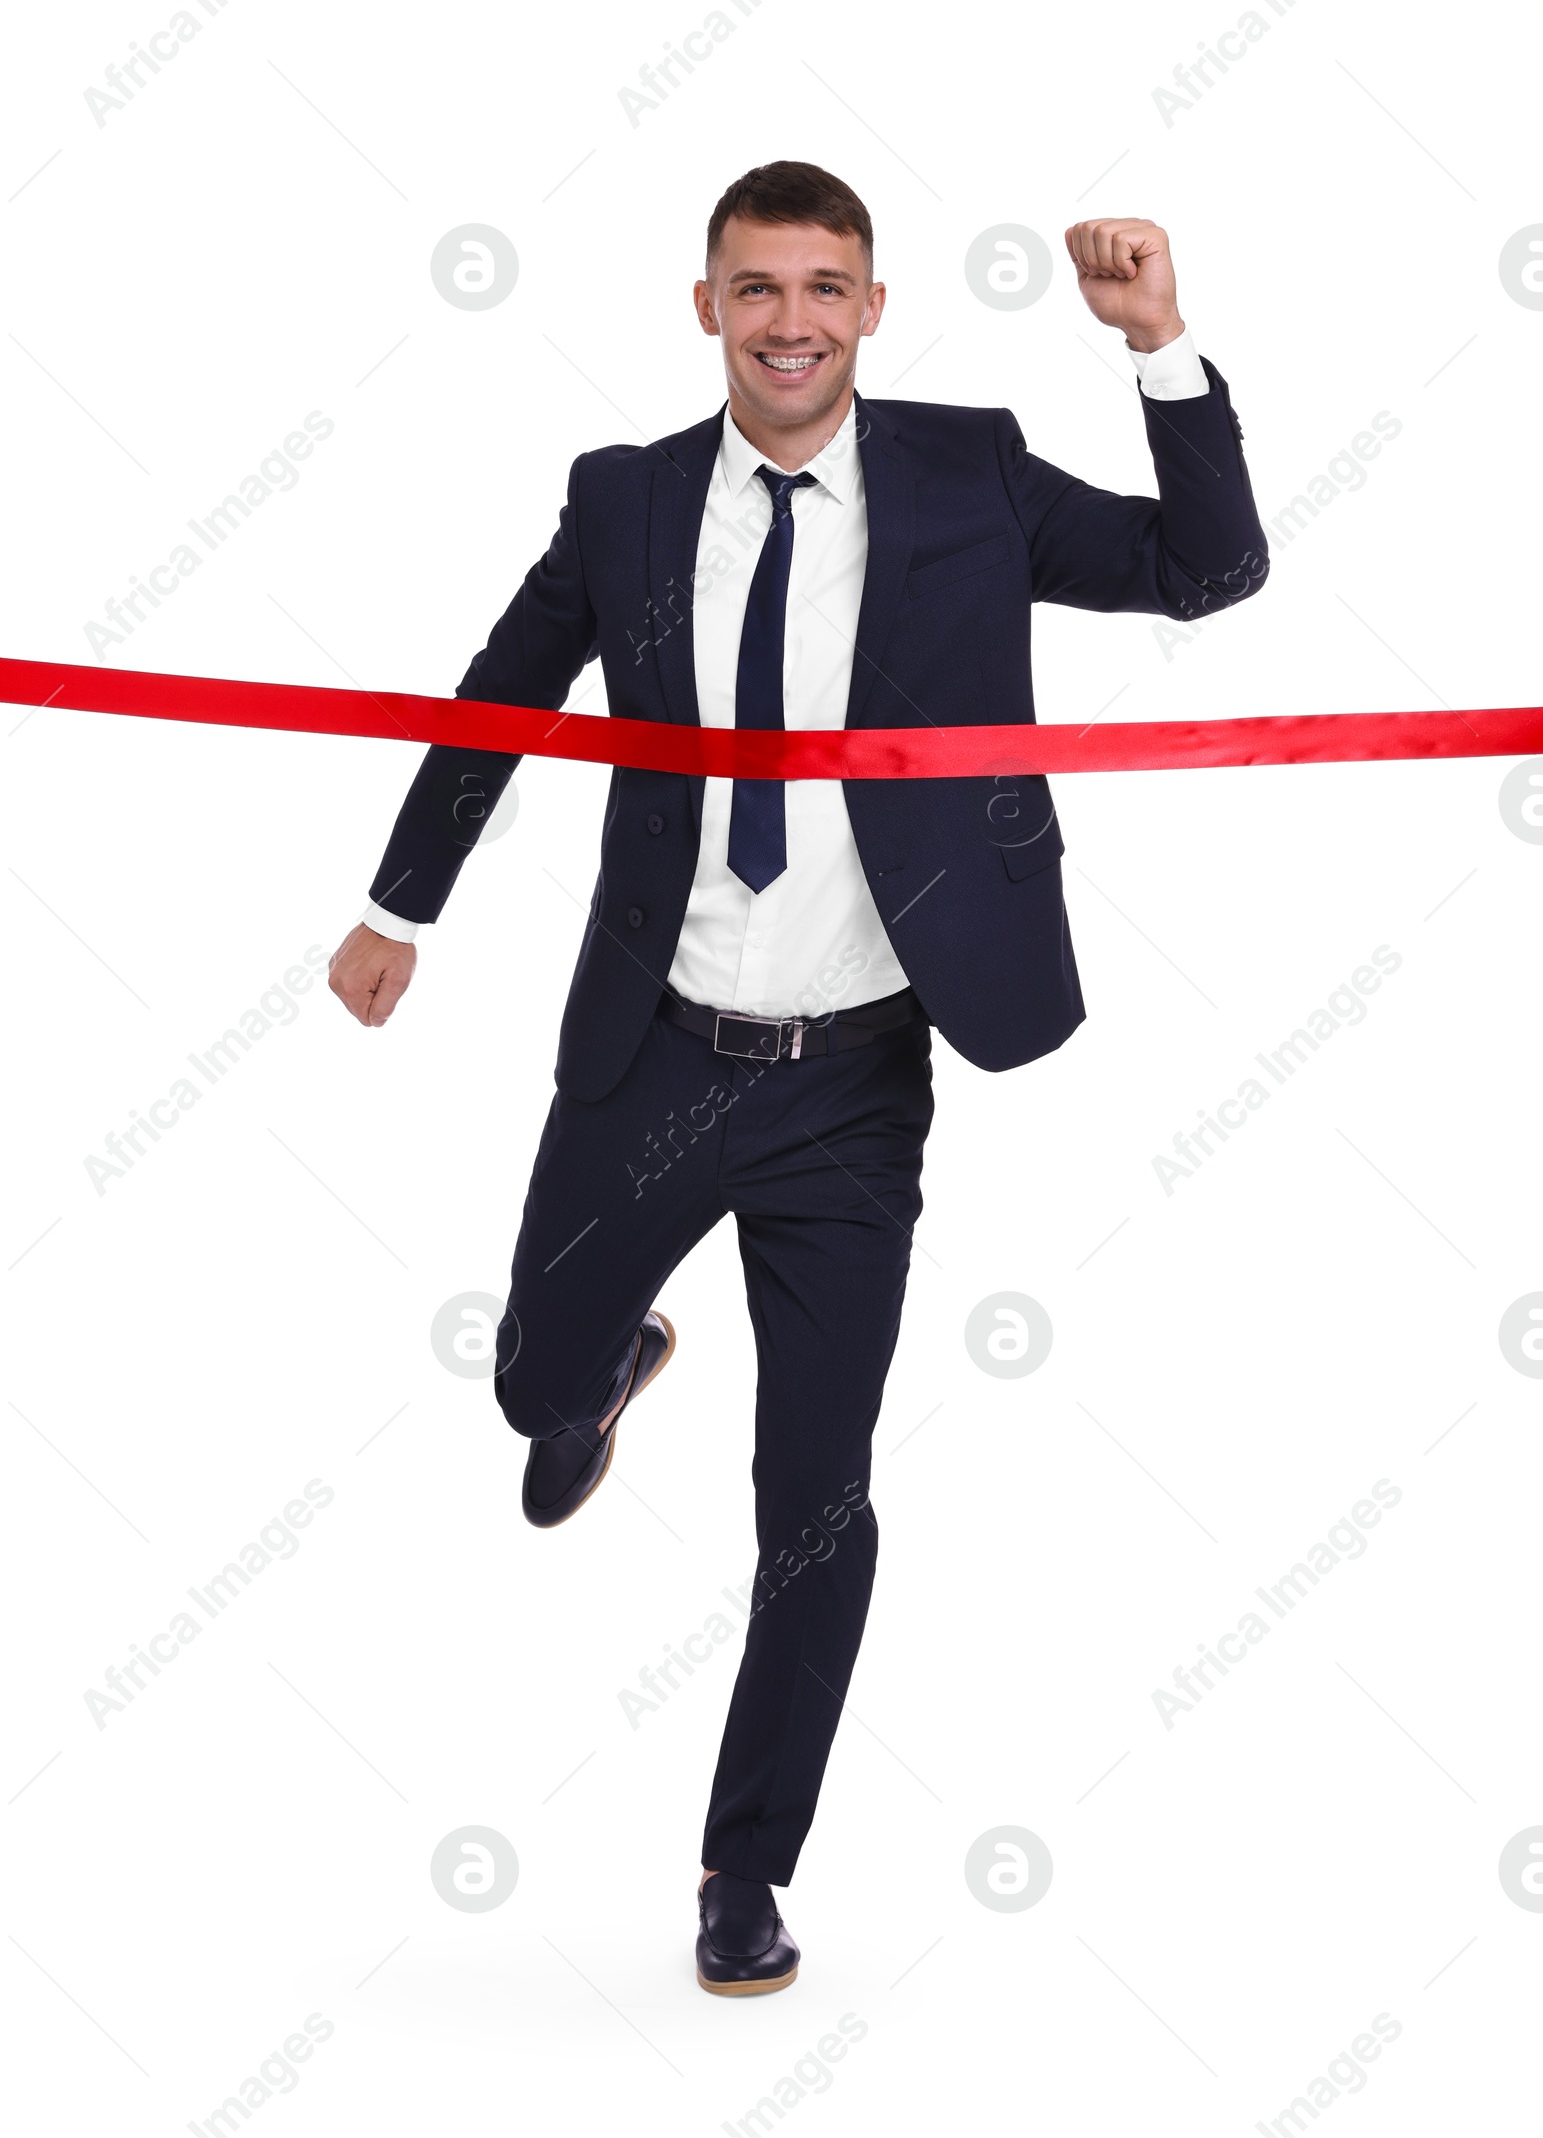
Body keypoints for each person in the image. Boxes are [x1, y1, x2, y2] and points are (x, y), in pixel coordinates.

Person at [328, 160, 1267, 1995]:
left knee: (816, 1499)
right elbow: (496, 698)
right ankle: (601, 1369)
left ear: (874, 307)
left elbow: (1204, 573)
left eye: (825, 287)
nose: (791, 322)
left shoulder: (966, 476)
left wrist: (1159, 348)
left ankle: (742, 1870)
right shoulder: (622, 503)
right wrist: (395, 908)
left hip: (856, 1078)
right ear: (706, 310)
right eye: (756, 289)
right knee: (525, 1385)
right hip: (654, 1043)